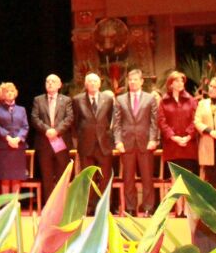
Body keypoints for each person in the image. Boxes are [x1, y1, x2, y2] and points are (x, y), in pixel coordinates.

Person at [112, 69, 159, 216]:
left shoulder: (150, 98)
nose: (132, 82)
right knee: (128, 178)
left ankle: (148, 207)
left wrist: (153, 139)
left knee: (147, 177)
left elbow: (154, 122)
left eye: (135, 80)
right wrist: (118, 141)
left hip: (145, 142)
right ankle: (131, 208)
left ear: (141, 81)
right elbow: (117, 123)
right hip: (127, 143)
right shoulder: (120, 99)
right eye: (130, 80)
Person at [29, 74, 74, 204]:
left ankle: (61, 205)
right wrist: (47, 130)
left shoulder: (66, 100)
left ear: (59, 85)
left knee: (62, 176)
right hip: (44, 143)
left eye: (53, 81)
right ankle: (48, 206)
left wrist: (57, 131)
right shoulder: (38, 100)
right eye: (47, 81)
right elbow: (34, 118)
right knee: (46, 176)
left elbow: (69, 118)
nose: (50, 83)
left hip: (61, 142)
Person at [73, 72, 116, 201]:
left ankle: (104, 206)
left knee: (105, 177)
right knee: (88, 177)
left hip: (104, 144)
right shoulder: (77, 99)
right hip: (86, 144)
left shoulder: (108, 99)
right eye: (90, 81)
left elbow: (109, 120)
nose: (92, 83)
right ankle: (89, 206)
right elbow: (75, 123)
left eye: (95, 81)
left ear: (100, 84)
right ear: (86, 84)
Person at [0, 82, 30, 201]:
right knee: (5, 178)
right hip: (3, 147)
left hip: (18, 147)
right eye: (7, 91)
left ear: (15, 93)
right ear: (2, 94)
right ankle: (6, 206)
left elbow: (25, 126)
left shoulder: (21, 109)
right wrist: (8, 138)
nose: (10, 93)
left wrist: (18, 139)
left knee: (17, 177)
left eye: (12, 91)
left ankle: (14, 206)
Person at [157, 70, 198, 179]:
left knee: (189, 180)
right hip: (172, 146)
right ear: (171, 84)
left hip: (188, 146)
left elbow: (196, 120)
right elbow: (161, 121)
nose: (180, 83)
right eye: (177, 81)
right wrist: (174, 137)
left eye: (182, 81)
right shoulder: (163, 102)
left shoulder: (191, 100)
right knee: (174, 180)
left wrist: (188, 136)